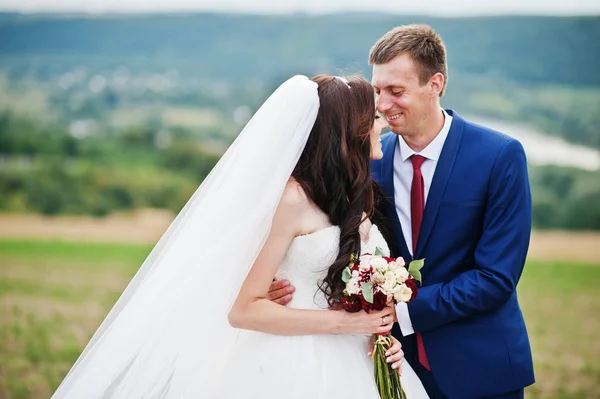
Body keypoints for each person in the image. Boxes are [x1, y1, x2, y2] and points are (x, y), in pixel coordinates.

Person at [51, 74, 428, 398]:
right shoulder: (293, 199)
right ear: (348, 130)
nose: (382, 125)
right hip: (292, 366)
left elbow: (348, 295)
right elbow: (244, 308)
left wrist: (380, 337)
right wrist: (348, 324)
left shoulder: (353, 195)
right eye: (373, 118)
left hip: (355, 362)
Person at [273, 25, 535, 399]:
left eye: (396, 91)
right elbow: (322, 236)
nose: (381, 105)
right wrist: (279, 283)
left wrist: (400, 312)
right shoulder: (368, 161)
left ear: (436, 84)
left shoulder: (499, 156)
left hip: (481, 366)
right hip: (388, 365)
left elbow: (495, 278)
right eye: (378, 90)